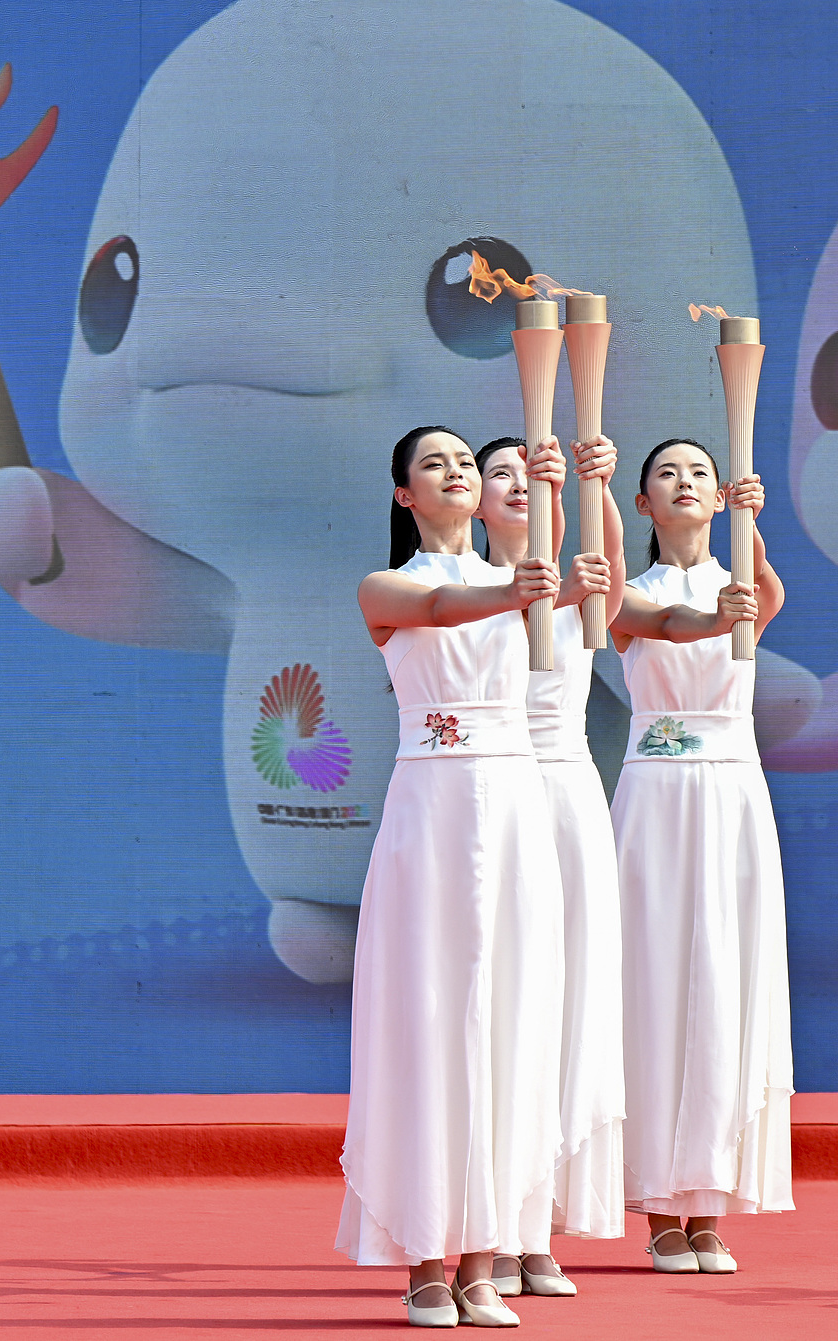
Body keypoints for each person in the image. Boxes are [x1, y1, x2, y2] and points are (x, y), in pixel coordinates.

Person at [339, 424, 607, 1328]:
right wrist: (533, 582)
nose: (455, 472)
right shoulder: (389, 589)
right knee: (428, 1023)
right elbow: (454, 606)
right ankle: (423, 1256)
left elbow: (556, 578)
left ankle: (487, 1255)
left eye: (466, 462)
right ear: (405, 495)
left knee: (512, 1019)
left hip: (516, 804)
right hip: (431, 812)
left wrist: (571, 503)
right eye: (435, 464)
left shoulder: (522, 584)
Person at [609, 438, 793, 1274]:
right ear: (643, 503)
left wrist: (753, 522)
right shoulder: (628, 597)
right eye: (665, 474)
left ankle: (708, 1201)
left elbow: (762, 593)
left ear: (720, 497)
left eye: (699, 473)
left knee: (727, 985)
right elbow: (676, 623)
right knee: (653, 988)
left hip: (734, 795)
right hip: (656, 794)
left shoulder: (748, 584)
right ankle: (657, 1201)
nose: (683, 482)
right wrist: (725, 610)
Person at [473, 433, 627, 1297]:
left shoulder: (577, 597)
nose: (518, 486)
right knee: (506, 1009)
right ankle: (493, 1223)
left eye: (529, 474)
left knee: (567, 1010)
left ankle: (542, 1227)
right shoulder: (463, 592)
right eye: (499, 476)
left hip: (568, 797)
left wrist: (595, 477)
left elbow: (596, 554)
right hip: (494, 794)